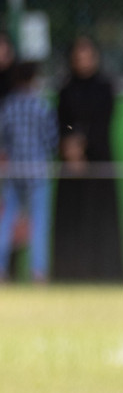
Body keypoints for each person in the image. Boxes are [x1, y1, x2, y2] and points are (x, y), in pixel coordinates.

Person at [53, 35, 123, 282]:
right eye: (77, 56)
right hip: (70, 165)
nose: (82, 61)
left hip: (99, 161)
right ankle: (69, 273)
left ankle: (103, 273)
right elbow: (64, 123)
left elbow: (102, 123)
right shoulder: (66, 88)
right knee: (72, 219)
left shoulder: (105, 87)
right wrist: (69, 148)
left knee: (100, 218)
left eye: (87, 55)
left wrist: (82, 146)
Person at [0, 63, 56, 281]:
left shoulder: (8, 106)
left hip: (14, 170)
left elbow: (2, 140)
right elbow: (51, 140)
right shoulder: (41, 106)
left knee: (6, 220)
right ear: (34, 79)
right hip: (38, 170)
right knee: (39, 222)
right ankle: (38, 273)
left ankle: (1, 270)